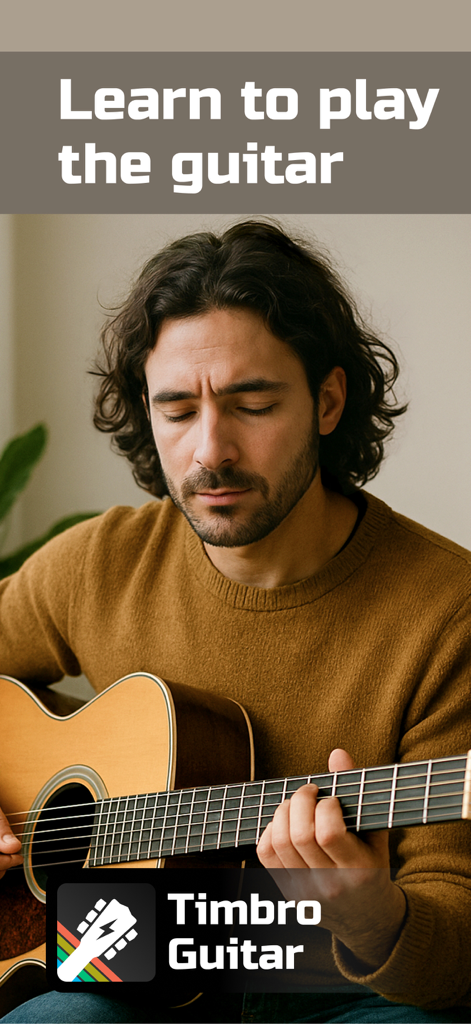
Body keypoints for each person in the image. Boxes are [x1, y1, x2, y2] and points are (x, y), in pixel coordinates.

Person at [0, 220, 470, 1024]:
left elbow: (455, 937)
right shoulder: (98, 562)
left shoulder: (446, 610)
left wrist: (368, 911)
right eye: (176, 409)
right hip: (125, 960)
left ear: (327, 400)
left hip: (340, 992)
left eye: (251, 403)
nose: (209, 450)